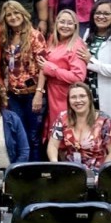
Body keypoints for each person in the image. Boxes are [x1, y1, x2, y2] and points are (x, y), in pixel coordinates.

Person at [0, 0, 48, 162]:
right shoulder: (6, 37)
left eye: (16, 13)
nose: (13, 17)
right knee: (19, 135)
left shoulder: (35, 36)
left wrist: (39, 94)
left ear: (23, 14)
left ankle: (35, 171)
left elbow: (43, 67)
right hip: (13, 95)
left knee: (33, 136)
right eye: (9, 15)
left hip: (32, 94)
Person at [79, 0, 111, 144]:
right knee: (91, 140)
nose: (101, 16)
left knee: (109, 139)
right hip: (90, 97)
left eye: (106, 13)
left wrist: (92, 62)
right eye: (98, 13)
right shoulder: (89, 34)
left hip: (109, 97)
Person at [47, 82, 111, 170]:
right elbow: (53, 146)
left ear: (90, 98)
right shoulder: (62, 118)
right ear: (68, 101)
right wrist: (55, 164)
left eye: (82, 96)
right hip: (70, 172)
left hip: (97, 173)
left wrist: (102, 173)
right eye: (73, 97)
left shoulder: (104, 120)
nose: (78, 100)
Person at [41, 9, 88, 137]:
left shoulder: (76, 45)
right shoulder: (52, 39)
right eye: (62, 22)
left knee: (65, 133)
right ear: (56, 24)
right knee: (53, 131)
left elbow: (79, 77)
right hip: (52, 93)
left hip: (66, 96)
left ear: (75, 26)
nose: (65, 26)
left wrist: (54, 70)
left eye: (69, 23)